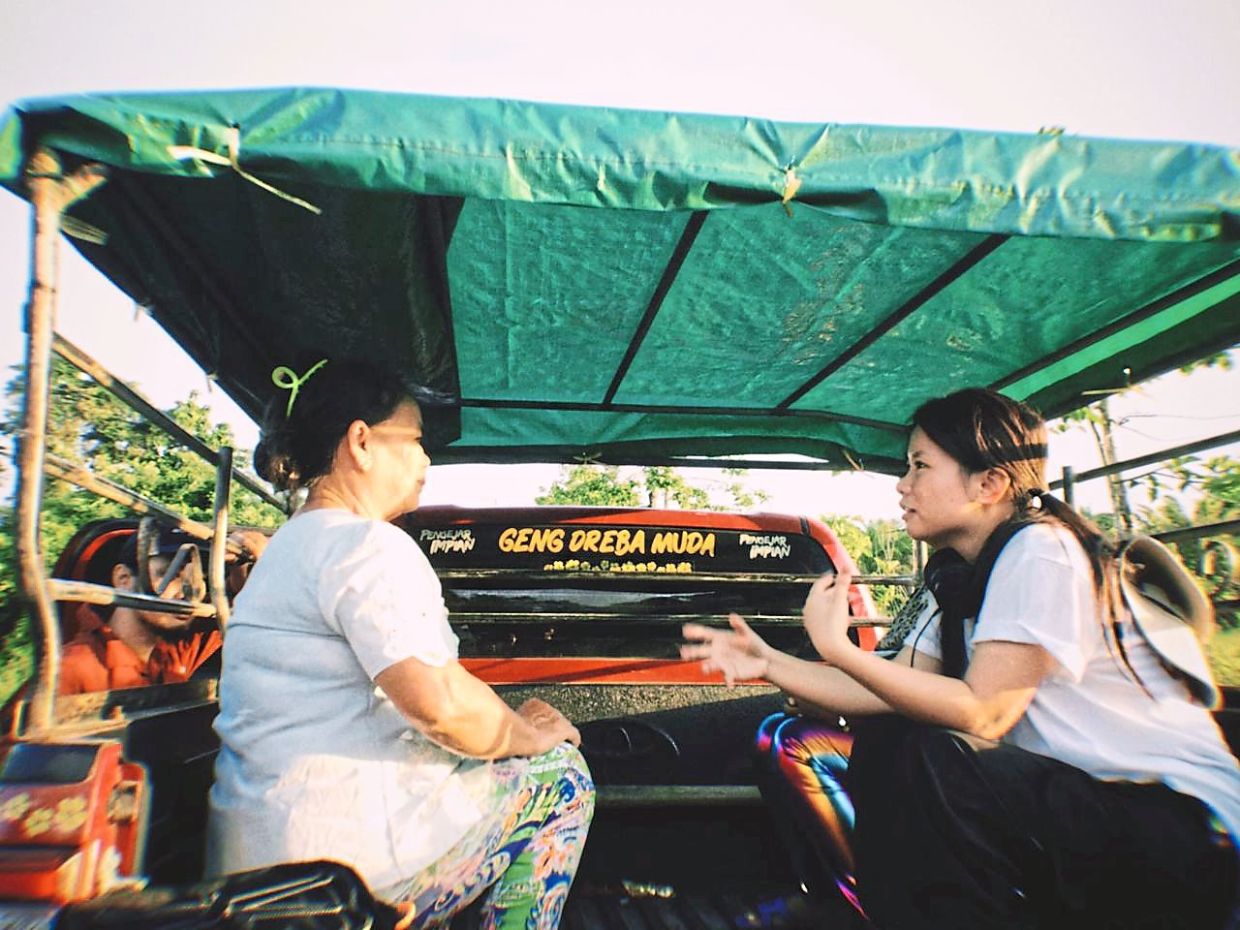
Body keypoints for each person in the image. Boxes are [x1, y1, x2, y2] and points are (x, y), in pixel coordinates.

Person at [682, 387, 1239, 929]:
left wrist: (834, 648)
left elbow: (986, 712)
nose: (902, 486)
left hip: (1182, 827)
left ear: (989, 483)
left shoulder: (1042, 549)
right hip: (1084, 812)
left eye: (920, 466)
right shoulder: (954, 577)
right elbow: (886, 691)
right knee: (891, 735)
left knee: (934, 758)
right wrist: (770, 660)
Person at [206, 359, 594, 929]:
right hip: (344, 879)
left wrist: (514, 725)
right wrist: (532, 740)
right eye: (414, 440)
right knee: (562, 778)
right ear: (361, 442)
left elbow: (439, 684)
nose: (425, 459)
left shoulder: (287, 550)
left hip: (254, 869)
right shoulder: (365, 545)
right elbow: (438, 708)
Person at [59, 526, 216, 694]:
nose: (187, 593)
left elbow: (234, 615)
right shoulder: (71, 670)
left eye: (196, 579)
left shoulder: (172, 655)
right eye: (170, 575)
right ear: (123, 579)